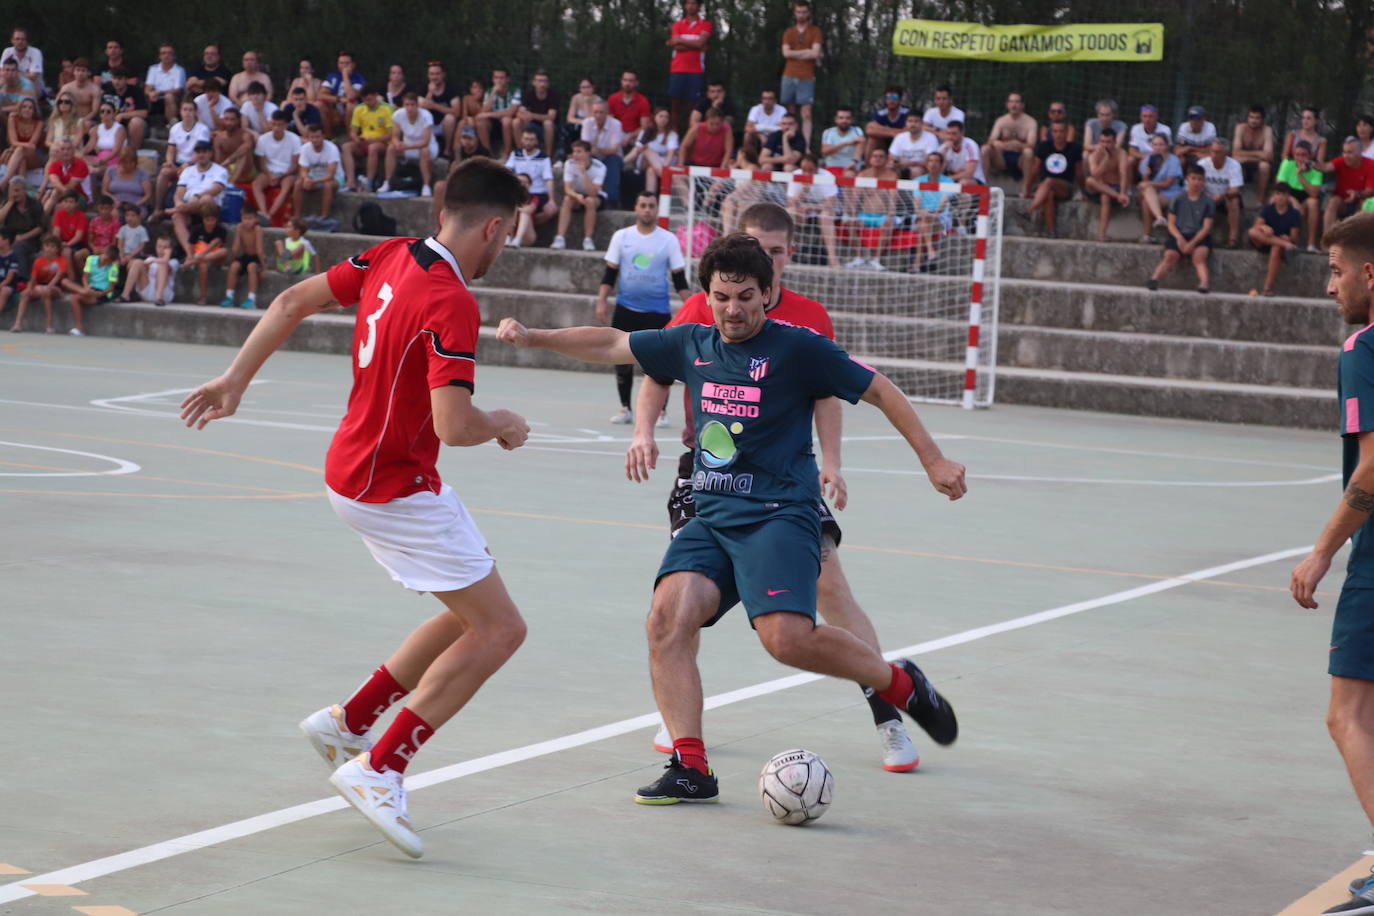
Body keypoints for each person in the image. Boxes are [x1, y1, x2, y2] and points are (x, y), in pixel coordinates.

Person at [496, 231, 965, 804]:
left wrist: (933, 458)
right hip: (711, 515)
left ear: (767, 293)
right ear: (708, 295)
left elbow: (881, 391)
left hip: (778, 514)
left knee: (786, 640)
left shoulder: (800, 348)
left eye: (745, 295)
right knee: (665, 621)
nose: (733, 308)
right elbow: (612, 344)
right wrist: (535, 337)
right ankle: (691, 768)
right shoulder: (691, 342)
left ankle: (900, 683)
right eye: (722, 296)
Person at [180, 157, 532, 860]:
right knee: (500, 631)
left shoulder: (392, 254)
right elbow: (454, 425)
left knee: (467, 613)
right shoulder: (453, 302)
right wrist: (503, 422)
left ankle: (350, 721)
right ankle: (380, 767)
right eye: (509, 234)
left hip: (354, 470)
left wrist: (233, 379)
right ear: (492, 226)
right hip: (392, 486)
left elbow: (288, 303)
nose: (505, 247)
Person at [628, 202, 924, 768]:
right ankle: (683, 736)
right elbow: (655, 369)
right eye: (755, 246)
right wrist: (644, 431)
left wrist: (831, 461)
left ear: (786, 257)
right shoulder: (704, 304)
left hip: (783, 479)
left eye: (775, 251)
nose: (763, 260)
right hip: (707, 474)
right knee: (676, 601)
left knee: (830, 591)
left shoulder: (807, 320)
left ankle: (888, 711)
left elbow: (827, 392)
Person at [1284, 212, 1374, 916]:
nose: (1329, 286)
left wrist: (1321, 552)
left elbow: (1373, 470)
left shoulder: (1363, 349)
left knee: (1347, 716)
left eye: (1337, 270)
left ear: (1370, 274)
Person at [597, 190, 690, 424]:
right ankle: (625, 409)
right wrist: (601, 301)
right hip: (626, 308)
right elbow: (610, 272)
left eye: (651, 205)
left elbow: (679, 277)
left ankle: (661, 412)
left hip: (657, 311)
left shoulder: (668, 239)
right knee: (622, 360)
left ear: (656, 210)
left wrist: (690, 305)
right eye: (643, 205)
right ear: (636, 209)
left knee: (660, 362)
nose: (647, 209)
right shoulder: (622, 236)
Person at [1146, 163, 1214, 293]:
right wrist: (1180, 239)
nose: (1196, 182)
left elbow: (1206, 227)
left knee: (1199, 257)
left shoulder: (1208, 202)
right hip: (1179, 233)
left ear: (1203, 181)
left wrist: (1192, 242)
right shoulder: (1177, 199)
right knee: (1170, 256)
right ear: (1187, 179)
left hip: (1199, 236)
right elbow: (1171, 223)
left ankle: (1204, 283)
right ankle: (1154, 279)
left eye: (1199, 179)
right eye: (1193, 178)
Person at [1023, 119, 1083, 238]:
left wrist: (1084, 191)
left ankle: (1030, 209)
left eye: (1061, 131)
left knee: (1050, 181)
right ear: (1051, 133)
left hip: (1065, 186)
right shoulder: (1044, 146)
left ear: (1066, 132)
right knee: (1049, 194)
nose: (1058, 134)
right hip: (1044, 187)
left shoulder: (1074, 148)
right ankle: (1052, 232)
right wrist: (1027, 189)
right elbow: (1035, 169)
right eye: (1055, 131)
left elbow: (1079, 172)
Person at [843, 145, 900, 270]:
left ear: (886, 160)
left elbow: (893, 199)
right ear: (870, 159)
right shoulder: (863, 175)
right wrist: (853, 215)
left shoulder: (891, 176)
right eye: (875, 156)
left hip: (882, 216)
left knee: (889, 224)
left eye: (881, 157)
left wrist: (890, 216)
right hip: (864, 214)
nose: (878, 159)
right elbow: (855, 199)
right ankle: (859, 258)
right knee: (851, 223)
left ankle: (876, 259)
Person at [170, 141, 229, 259]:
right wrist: (179, 203)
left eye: (204, 152)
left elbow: (216, 189)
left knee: (206, 199)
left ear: (210, 153)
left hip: (209, 207)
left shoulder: (220, 170)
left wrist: (196, 197)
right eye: (198, 152)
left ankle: (171, 210)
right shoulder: (187, 171)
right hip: (188, 208)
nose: (201, 155)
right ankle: (190, 253)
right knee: (177, 216)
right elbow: (178, 194)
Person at [154, 100, 209, 216]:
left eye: (190, 110)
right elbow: (171, 149)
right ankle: (157, 208)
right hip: (179, 163)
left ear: (195, 112)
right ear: (180, 112)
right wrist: (169, 161)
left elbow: (201, 151)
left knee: (185, 173)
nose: (187, 113)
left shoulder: (202, 129)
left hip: (195, 164)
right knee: (164, 172)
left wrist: (188, 164)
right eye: (185, 110)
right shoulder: (175, 128)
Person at [667, 0, 712, 136]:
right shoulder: (678, 25)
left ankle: (689, 135)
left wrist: (680, 41)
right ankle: (674, 135)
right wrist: (695, 44)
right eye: (688, 3)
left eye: (693, 3)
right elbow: (678, 45)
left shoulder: (705, 24)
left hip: (696, 70)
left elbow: (700, 43)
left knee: (692, 106)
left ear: (699, 6)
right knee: (675, 104)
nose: (690, 6)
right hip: (677, 69)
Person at [504, 127, 557, 244]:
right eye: (526, 139)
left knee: (549, 210)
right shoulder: (515, 154)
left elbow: (549, 179)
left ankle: (526, 228)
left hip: (538, 192)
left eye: (531, 139)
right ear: (522, 140)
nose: (528, 142)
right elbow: (506, 171)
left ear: (537, 141)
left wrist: (552, 200)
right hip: (520, 192)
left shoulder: (544, 157)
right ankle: (510, 236)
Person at [1247, 184, 1302, 296]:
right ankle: (1283, 244)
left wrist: (1289, 239)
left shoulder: (1294, 214)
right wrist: (1264, 227)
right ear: (1274, 196)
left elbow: (1295, 238)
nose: (1280, 197)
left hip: (1279, 246)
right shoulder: (1267, 209)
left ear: (1288, 197)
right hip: (1264, 241)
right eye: (1278, 194)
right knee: (1252, 232)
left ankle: (1267, 287)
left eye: (1283, 194)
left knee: (1276, 248)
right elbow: (1256, 226)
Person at [786, 154, 840, 266]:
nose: (807, 173)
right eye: (804, 170)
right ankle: (787, 252)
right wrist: (804, 192)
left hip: (823, 211)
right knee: (789, 212)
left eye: (810, 170)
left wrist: (811, 207)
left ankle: (832, 258)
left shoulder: (826, 176)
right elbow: (791, 201)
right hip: (803, 214)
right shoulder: (796, 175)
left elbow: (831, 203)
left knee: (825, 216)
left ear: (817, 167)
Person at [780, 0, 822, 141]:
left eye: (804, 12)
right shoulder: (788, 32)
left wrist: (795, 53)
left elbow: (815, 53)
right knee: (790, 112)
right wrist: (806, 52)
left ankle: (806, 145)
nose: (801, 15)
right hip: (789, 75)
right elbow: (786, 53)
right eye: (799, 12)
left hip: (807, 76)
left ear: (808, 13)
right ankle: (789, 141)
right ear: (795, 13)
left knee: (806, 113)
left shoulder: (815, 31)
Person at [552, 140, 605, 251]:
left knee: (590, 201)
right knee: (567, 199)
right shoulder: (569, 164)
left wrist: (583, 173)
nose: (575, 155)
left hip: (595, 196)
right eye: (574, 151)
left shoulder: (600, 167)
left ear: (588, 153)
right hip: (576, 195)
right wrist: (577, 196)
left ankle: (588, 239)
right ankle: (560, 238)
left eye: (579, 151)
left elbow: (593, 193)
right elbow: (567, 189)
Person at [381, 93, 436, 197]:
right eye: (407, 105)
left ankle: (426, 185)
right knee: (391, 148)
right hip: (407, 146)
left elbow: (426, 142)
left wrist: (407, 146)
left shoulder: (426, 116)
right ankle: (388, 182)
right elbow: (395, 136)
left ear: (417, 105)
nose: (409, 108)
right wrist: (398, 144)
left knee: (424, 151)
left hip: (426, 147)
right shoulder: (398, 115)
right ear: (403, 105)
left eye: (412, 105)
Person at [251, 112, 301, 223]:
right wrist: (270, 175)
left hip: (287, 173)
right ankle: (263, 213)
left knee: (286, 187)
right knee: (256, 184)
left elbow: (294, 165)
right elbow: (262, 164)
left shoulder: (294, 139)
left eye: (279, 125)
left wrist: (280, 176)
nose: (276, 128)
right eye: (274, 124)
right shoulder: (263, 139)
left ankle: (270, 215)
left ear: (285, 125)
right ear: (270, 124)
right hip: (269, 171)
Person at [10, 235, 67, 333]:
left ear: (57, 249)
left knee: (46, 292)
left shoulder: (61, 261)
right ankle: (18, 324)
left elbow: (58, 277)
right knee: (25, 294)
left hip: (56, 288)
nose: (49, 249)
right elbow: (33, 278)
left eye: (53, 247)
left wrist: (48, 287)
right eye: (47, 246)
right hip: (40, 287)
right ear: (43, 247)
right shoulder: (38, 261)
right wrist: (29, 289)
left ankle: (50, 327)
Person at [58, 243, 119, 334]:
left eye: (109, 262)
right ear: (104, 253)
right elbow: (85, 277)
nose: (106, 262)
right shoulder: (91, 259)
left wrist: (99, 294)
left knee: (74, 298)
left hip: (102, 293)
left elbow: (111, 288)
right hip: (89, 288)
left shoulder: (113, 268)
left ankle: (79, 328)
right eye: (106, 259)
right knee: (65, 281)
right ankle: (84, 291)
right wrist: (86, 288)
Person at [342, 86, 393, 193]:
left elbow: (390, 134)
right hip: (365, 140)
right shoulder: (359, 109)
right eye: (365, 100)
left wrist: (375, 140)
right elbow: (353, 131)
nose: (367, 102)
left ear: (375, 96)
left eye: (370, 99)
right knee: (346, 147)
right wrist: (356, 138)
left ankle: (369, 183)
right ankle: (350, 181)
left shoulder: (387, 109)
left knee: (373, 148)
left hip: (382, 142)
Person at [1084, 127, 1131, 242]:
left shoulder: (1121, 153)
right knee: (1089, 181)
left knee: (1105, 197)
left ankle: (1101, 235)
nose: (1105, 145)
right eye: (1102, 141)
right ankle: (1119, 197)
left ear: (1115, 142)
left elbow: (1123, 174)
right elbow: (1095, 176)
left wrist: (1122, 192)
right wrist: (1105, 159)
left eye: (1108, 142)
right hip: (1099, 186)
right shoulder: (1094, 154)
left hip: (1115, 187)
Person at [1323, 137, 1374, 241]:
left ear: (1359, 152)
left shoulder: (1370, 164)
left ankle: (1359, 246)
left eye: (1349, 152)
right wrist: (1311, 164)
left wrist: (1357, 194)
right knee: (1333, 201)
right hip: (1343, 203)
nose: (1346, 155)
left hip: (1361, 201)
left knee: (1364, 203)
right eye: (1344, 152)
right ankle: (1328, 242)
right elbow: (1326, 167)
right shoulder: (1341, 161)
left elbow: (1369, 191)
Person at [1277, 140, 1324, 251]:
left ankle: (1311, 244)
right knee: (1276, 199)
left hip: (1307, 194)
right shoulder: (1287, 163)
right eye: (1297, 154)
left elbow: (1314, 193)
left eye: (1304, 155)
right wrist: (1293, 200)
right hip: (1289, 193)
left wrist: (1300, 175)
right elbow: (1279, 187)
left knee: (1313, 202)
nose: (1300, 158)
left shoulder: (1316, 167)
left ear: (1310, 156)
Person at [1136, 132, 1182, 242]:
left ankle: (1147, 235)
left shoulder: (1173, 160)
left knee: (1146, 201)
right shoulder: (1146, 161)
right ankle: (1160, 218)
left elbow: (1167, 184)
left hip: (1170, 192)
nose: (1158, 147)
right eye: (1155, 145)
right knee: (1147, 193)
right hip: (1152, 193)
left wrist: (1149, 183)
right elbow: (1145, 183)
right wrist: (1146, 175)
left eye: (1161, 144)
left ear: (1167, 146)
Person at [982, 91, 1037, 181]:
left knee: (1028, 152)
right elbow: (990, 141)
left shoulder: (1030, 122)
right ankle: (983, 186)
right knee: (985, 149)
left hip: (1021, 159)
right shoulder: (1001, 121)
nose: (1014, 105)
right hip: (1002, 159)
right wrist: (998, 143)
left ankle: (1025, 190)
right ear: (1007, 105)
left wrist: (1019, 145)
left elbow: (1032, 145)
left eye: (1017, 102)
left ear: (1022, 105)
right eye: (1011, 102)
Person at [1200, 138, 1244, 248]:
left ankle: (1233, 239)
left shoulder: (1234, 165)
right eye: (1213, 151)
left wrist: (1221, 196)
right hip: (1206, 196)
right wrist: (1208, 196)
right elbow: (1194, 185)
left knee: (1234, 201)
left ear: (1226, 153)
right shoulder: (1202, 164)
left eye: (1218, 152)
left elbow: (1235, 189)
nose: (1214, 155)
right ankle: (1200, 237)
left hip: (1225, 197)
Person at [182, 202, 228, 304]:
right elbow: (190, 246)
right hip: (199, 259)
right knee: (203, 266)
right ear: (203, 219)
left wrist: (201, 256)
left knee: (224, 251)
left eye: (213, 220)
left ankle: (194, 262)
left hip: (213, 258)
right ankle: (203, 297)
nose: (210, 223)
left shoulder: (221, 230)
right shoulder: (197, 230)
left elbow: (216, 243)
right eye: (207, 220)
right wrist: (190, 257)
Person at [625, 108, 679, 194]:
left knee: (651, 170)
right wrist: (622, 162)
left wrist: (665, 168)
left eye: (666, 117)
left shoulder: (672, 134)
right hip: (645, 161)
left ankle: (651, 198)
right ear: (654, 117)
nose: (664, 119)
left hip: (664, 164)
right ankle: (664, 175)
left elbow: (670, 154)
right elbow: (636, 150)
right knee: (647, 150)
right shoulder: (646, 131)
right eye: (661, 116)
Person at [581, 100, 625, 207]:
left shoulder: (616, 124)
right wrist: (593, 150)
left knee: (613, 160)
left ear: (607, 113)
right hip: (593, 156)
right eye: (595, 112)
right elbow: (585, 147)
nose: (598, 115)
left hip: (610, 157)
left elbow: (614, 149)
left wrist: (597, 150)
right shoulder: (587, 123)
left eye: (601, 112)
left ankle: (613, 200)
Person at [295, 122, 341, 221]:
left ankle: (324, 217)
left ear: (323, 136)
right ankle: (297, 216)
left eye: (317, 137)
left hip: (335, 178)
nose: (315, 140)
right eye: (312, 137)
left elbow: (331, 175)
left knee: (327, 185)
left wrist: (314, 182)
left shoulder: (332, 149)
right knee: (299, 183)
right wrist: (306, 178)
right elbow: (303, 170)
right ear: (308, 137)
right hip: (313, 177)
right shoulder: (304, 149)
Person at [222, 205, 264, 308]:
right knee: (234, 267)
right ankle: (229, 297)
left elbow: (259, 249)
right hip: (245, 256)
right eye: (245, 218)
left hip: (256, 258)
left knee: (251, 267)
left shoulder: (257, 229)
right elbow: (236, 246)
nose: (247, 221)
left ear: (256, 219)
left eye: (250, 218)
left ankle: (251, 299)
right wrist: (232, 260)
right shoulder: (240, 227)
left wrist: (264, 267)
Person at [512, 69, 560, 158]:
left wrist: (532, 115)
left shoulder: (553, 95)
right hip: (531, 125)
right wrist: (523, 116)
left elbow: (551, 117)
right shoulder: (528, 94)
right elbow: (520, 112)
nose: (541, 84)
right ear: (534, 82)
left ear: (548, 83)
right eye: (539, 81)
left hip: (548, 128)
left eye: (544, 81)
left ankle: (548, 156)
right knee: (516, 122)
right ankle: (521, 153)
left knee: (548, 123)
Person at [1, 179, 45, 274]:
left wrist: (23, 237)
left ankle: (21, 279)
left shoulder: (35, 204)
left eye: (17, 190)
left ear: (24, 190)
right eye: (11, 191)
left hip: (30, 239)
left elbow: (40, 227)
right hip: (10, 236)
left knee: (18, 246)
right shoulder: (8, 203)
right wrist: (10, 202)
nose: (14, 194)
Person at [118, 234, 176, 305]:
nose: (161, 250)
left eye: (165, 247)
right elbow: (137, 265)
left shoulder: (173, 262)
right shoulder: (151, 259)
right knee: (137, 262)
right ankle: (125, 295)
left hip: (164, 295)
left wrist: (156, 260)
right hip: (147, 291)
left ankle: (159, 298)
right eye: (159, 246)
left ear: (170, 250)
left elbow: (165, 261)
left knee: (162, 265)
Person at [1233, 105, 1275, 202]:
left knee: (1265, 166)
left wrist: (1246, 156)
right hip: (1244, 165)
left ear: (1262, 119)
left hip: (1257, 166)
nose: (1253, 120)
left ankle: (1259, 201)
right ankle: (1235, 198)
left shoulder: (1267, 130)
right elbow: (1235, 152)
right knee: (1235, 162)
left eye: (1257, 118)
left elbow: (1268, 156)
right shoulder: (1240, 128)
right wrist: (1259, 154)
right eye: (1251, 117)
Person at [319, 52, 365, 140]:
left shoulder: (358, 78)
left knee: (351, 105)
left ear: (353, 65)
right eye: (341, 63)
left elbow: (351, 96)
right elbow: (321, 95)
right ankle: (329, 137)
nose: (343, 66)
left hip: (353, 113)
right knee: (319, 104)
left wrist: (345, 75)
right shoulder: (332, 76)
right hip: (335, 110)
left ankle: (349, 138)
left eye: (346, 63)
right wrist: (339, 99)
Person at [475, 68, 520, 157]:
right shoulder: (489, 91)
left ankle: (507, 154)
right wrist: (493, 93)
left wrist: (489, 114)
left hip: (508, 123)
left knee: (506, 120)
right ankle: (487, 154)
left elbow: (511, 112)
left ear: (508, 79)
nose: (498, 81)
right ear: (493, 79)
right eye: (496, 78)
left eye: (501, 78)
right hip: (493, 123)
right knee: (480, 121)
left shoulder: (515, 90)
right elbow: (483, 112)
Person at [102, 67, 147, 150]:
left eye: (119, 79)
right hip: (110, 123)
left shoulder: (136, 91)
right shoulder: (107, 89)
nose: (116, 82)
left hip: (129, 124)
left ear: (126, 80)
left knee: (137, 122)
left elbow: (143, 113)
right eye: (114, 78)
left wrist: (122, 115)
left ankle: (132, 154)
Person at [418, 62, 458, 154]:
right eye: (432, 74)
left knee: (450, 118)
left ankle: (447, 150)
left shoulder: (451, 89)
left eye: (437, 74)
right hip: (427, 125)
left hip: (443, 126)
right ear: (428, 75)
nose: (434, 77)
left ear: (443, 74)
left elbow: (456, 112)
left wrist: (435, 106)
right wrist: (430, 92)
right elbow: (420, 107)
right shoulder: (423, 87)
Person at [40, 139, 89, 213]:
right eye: (63, 149)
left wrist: (55, 194)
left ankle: (41, 221)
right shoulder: (54, 165)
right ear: (58, 152)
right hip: (62, 195)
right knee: (50, 194)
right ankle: (40, 220)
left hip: (79, 197)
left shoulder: (80, 164)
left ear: (73, 151)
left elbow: (70, 187)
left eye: (68, 149)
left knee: (57, 204)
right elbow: (55, 182)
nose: (66, 152)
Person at [3, 97, 43, 187]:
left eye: (30, 108)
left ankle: (5, 181)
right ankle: (21, 187)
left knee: (22, 149)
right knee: (22, 160)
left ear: (34, 111)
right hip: (18, 155)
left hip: (34, 156)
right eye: (24, 107)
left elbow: (32, 145)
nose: (27, 110)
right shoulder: (13, 119)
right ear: (20, 109)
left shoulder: (39, 123)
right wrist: (17, 147)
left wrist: (16, 148)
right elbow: (13, 141)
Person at [608, 71, 651, 154]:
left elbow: (644, 126)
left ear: (636, 83)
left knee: (643, 137)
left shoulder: (643, 101)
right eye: (625, 80)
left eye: (631, 81)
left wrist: (630, 136)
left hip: (635, 134)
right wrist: (619, 135)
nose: (627, 83)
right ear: (621, 81)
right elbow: (610, 122)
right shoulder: (612, 99)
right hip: (617, 132)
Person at [212, 108, 257, 187]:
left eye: (232, 119)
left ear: (238, 121)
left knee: (244, 153)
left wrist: (228, 161)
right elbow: (218, 160)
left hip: (246, 172)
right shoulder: (219, 138)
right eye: (226, 119)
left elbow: (246, 148)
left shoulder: (246, 135)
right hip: (228, 170)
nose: (229, 122)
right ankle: (229, 182)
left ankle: (231, 184)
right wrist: (226, 166)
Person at [83, 102, 126, 183]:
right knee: (80, 159)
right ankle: (92, 169)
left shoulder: (120, 129)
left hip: (114, 159)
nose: (105, 114)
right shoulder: (97, 128)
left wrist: (101, 161)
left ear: (113, 114)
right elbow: (89, 147)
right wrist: (79, 154)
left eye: (108, 112)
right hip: (100, 158)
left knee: (94, 169)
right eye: (102, 111)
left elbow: (116, 151)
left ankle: (93, 170)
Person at [886, 111, 938, 178]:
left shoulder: (931, 138)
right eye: (910, 121)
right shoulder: (900, 137)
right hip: (901, 167)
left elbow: (931, 161)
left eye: (916, 121)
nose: (913, 124)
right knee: (889, 168)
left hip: (922, 169)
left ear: (922, 123)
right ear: (906, 123)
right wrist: (896, 162)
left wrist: (911, 163)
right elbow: (892, 156)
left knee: (916, 171)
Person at [144, 44, 185, 126]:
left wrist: (159, 92)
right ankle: (147, 125)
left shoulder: (179, 70)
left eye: (169, 53)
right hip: (155, 98)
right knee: (146, 97)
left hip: (173, 98)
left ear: (174, 56)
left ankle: (172, 126)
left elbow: (178, 90)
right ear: (160, 56)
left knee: (168, 97)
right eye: (163, 53)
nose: (166, 55)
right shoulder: (153, 69)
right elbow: (147, 88)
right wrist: (150, 93)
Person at [820, 106, 865, 173]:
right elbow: (825, 151)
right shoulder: (828, 132)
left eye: (848, 118)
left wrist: (854, 162)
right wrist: (846, 143)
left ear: (852, 119)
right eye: (841, 118)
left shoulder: (857, 130)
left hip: (851, 169)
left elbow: (861, 143)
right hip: (831, 170)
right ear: (835, 119)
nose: (844, 121)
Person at [51, 192, 89, 268]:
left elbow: (78, 236)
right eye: (65, 201)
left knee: (66, 252)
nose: (68, 204)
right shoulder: (59, 213)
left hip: (78, 244)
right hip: (62, 242)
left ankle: (71, 277)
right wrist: (59, 244)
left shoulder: (81, 216)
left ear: (76, 204)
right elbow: (56, 232)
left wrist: (67, 244)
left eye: (71, 202)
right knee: (50, 249)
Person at [564, 78, 602, 153]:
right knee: (566, 129)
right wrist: (581, 121)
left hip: (592, 126)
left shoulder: (598, 100)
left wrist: (586, 104)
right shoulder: (576, 98)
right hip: (579, 123)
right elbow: (570, 118)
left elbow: (591, 120)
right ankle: (564, 155)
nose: (586, 90)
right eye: (583, 88)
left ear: (593, 88)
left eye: (588, 87)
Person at [114, 203, 148, 267]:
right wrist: (121, 256)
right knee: (115, 263)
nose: (129, 218)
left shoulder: (142, 230)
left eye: (133, 216)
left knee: (131, 265)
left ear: (138, 217)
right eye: (127, 215)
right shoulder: (123, 228)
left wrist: (130, 256)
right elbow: (120, 244)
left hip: (136, 255)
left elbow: (141, 247)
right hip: (123, 254)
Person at [0, 231, 18, 314]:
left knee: (4, 291)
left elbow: (9, 279)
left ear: (6, 241)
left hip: (8, 286)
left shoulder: (13, 257)